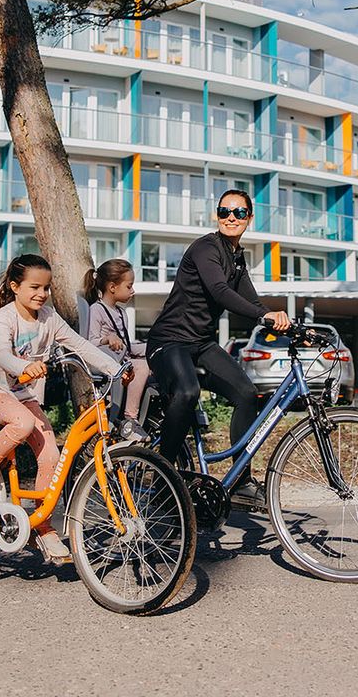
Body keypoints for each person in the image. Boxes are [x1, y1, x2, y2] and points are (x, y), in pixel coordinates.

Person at [0, 253, 118, 564]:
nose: (41, 294)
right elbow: (3, 355)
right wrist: (25, 365)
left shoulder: (49, 317)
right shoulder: (6, 317)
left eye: (46, 288)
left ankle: (42, 525)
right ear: (14, 287)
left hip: (23, 397)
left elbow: (79, 344)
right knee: (22, 424)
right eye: (34, 287)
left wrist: (114, 367)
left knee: (51, 454)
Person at [146, 189, 290, 507]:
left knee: (246, 394)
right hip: (168, 341)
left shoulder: (237, 259)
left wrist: (289, 327)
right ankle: (162, 475)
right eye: (225, 211)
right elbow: (219, 291)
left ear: (249, 218)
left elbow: (252, 302)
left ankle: (239, 482)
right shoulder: (206, 247)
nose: (231, 218)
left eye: (239, 213)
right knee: (187, 392)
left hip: (201, 344)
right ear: (217, 215)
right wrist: (263, 314)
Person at [83, 258, 150, 442]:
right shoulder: (97, 310)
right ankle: (130, 419)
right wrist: (107, 339)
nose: (133, 291)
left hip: (122, 359)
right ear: (112, 287)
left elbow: (127, 345)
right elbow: (89, 343)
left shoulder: (121, 313)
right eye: (129, 286)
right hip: (109, 363)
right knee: (141, 367)